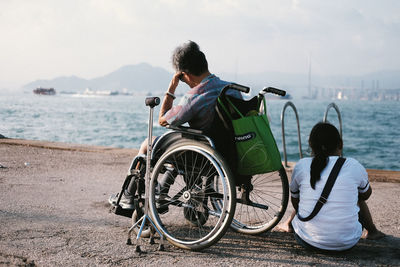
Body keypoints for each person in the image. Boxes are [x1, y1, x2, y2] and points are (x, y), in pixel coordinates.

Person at [109, 40, 242, 209]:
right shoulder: (232, 90)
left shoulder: (196, 96)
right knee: (179, 143)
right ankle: (164, 192)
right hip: (230, 153)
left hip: (203, 157)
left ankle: (128, 196)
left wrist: (171, 88)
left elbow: (163, 120)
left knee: (147, 144)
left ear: (185, 75)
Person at [277, 122, 385, 252]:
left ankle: (287, 224)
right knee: (357, 196)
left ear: (311, 146)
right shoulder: (353, 165)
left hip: (307, 240)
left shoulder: (301, 165)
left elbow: (296, 201)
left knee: (306, 196)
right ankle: (372, 232)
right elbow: (366, 195)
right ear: (340, 144)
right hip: (347, 242)